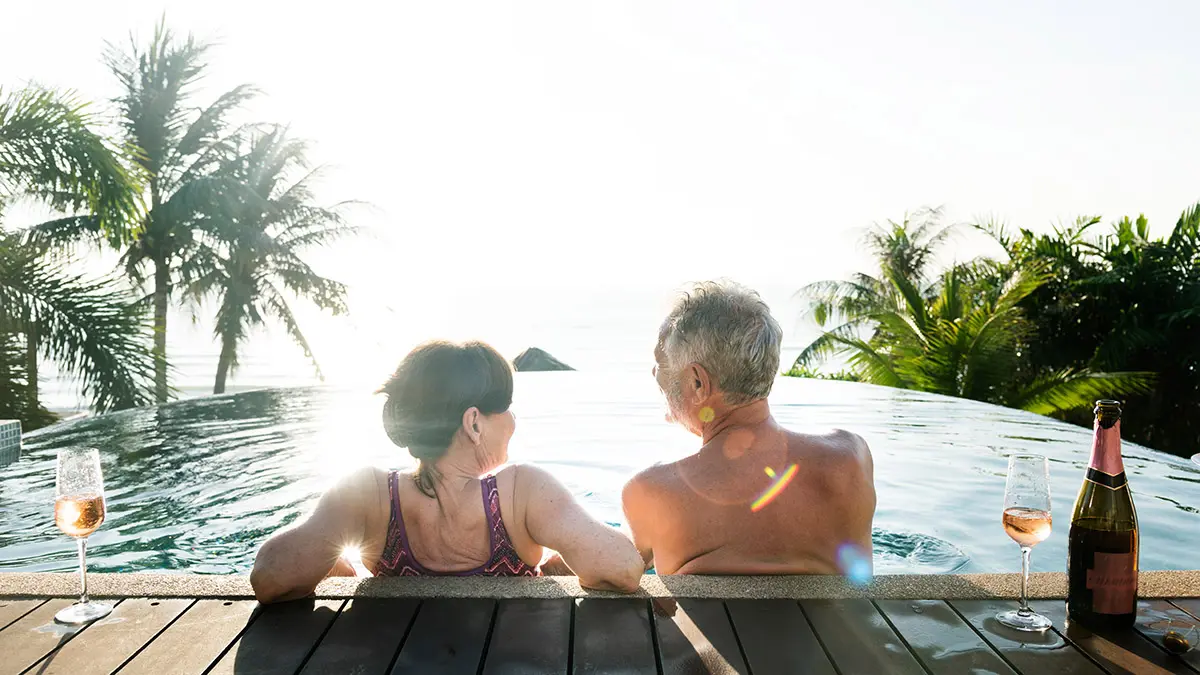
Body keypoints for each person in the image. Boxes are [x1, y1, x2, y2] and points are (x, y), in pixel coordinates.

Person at [251, 340, 643, 603]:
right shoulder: (522, 491)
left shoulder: (369, 495)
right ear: (474, 423)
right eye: (505, 405)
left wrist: (341, 574)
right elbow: (623, 568)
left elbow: (270, 575)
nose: (513, 419)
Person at [622, 281, 876, 576]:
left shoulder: (653, 491)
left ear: (697, 383)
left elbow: (615, 567)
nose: (655, 374)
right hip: (840, 623)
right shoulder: (850, 459)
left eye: (660, 362)